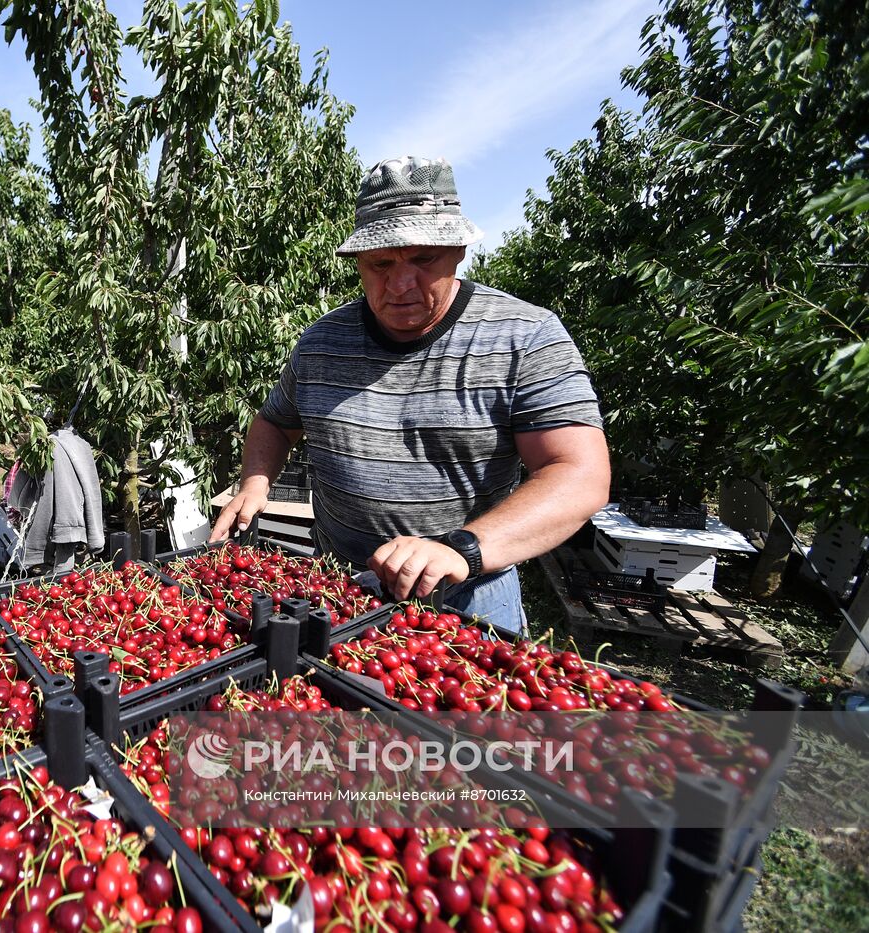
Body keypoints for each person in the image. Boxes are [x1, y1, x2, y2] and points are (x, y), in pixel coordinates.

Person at [210, 157, 610, 635]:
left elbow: (580, 474)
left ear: (458, 250)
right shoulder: (322, 343)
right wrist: (256, 482)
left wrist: (464, 548)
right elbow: (276, 422)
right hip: (338, 593)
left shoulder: (523, 336)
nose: (400, 285)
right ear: (358, 262)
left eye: (424, 259)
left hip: (469, 600)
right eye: (381, 264)